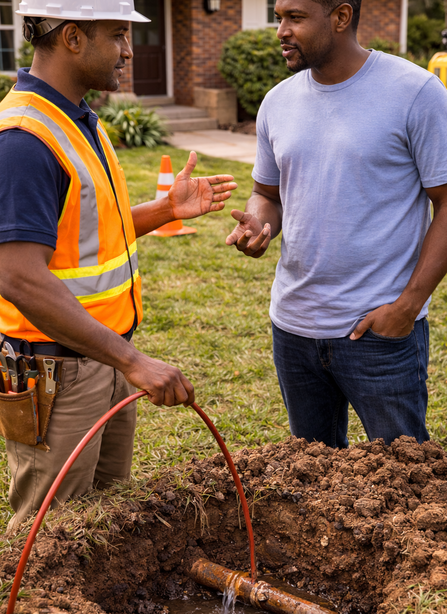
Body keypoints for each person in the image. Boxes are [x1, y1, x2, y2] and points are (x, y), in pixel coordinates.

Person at [0, 0, 237, 530]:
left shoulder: (77, 117)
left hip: (97, 356)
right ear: (73, 38)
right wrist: (132, 362)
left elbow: (83, 231)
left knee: (102, 525)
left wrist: (164, 210)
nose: (129, 51)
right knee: (50, 537)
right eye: (118, 35)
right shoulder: (23, 140)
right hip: (56, 371)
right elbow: (16, 274)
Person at [226, 0, 447, 448]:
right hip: (293, 329)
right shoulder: (278, 102)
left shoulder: (415, 92)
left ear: (341, 17)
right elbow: (268, 194)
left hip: (379, 333)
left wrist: (407, 307)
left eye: (295, 18)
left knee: (400, 484)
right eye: (278, 17)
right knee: (312, 488)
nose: (280, 31)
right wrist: (260, 226)